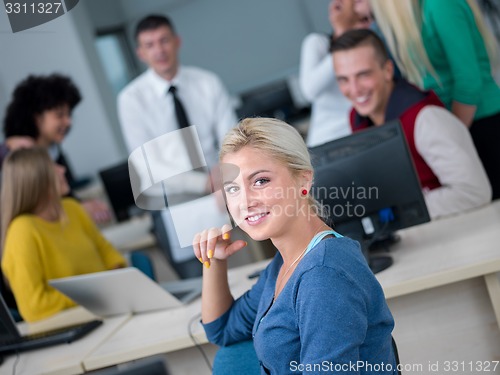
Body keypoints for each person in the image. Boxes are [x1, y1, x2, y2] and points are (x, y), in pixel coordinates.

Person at [193, 118, 398, 374]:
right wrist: (214, 261)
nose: (245, 201)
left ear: (303, 181)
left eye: (260, 181)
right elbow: (221, 330)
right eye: (232, 188)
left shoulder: (323, 276)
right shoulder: (285, 263)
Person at [118, 14, 237, 277]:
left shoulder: (207, 82)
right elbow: (147, 162)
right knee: (200, 283)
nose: (159, 50)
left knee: (239, 269)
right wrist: (205, 182)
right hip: (174, 205)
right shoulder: (131, 99)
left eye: (164, 41)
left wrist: (223, 173)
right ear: (140, 53)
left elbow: (232, 136)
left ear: (177, 41)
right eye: (150, 45)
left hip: (223, 193)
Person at [331, 28, 491, 219]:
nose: (354, 89)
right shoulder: (357, 118)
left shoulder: (427, 119)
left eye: (363, 75)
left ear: (388, 71)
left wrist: (398, 210)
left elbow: (474, 192)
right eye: (344, 80)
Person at [370, 0, 500, 199]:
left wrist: (450, 137)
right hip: (459, 124)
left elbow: (469, 82)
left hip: (480, 123)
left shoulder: (441, 4)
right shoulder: (412, 13)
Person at [1, 148, 126, 322]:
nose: (62, 170)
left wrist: (117, 286)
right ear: (35, 179)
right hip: (77, 324)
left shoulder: (72, 208)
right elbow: (34, 307)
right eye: (53, 167)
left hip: (111, 312)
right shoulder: (22, 231)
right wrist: (97, 293)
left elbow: (109, 254)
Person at [1, 74, 112, 223]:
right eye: (60, 115)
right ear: (37, 119)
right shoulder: (17, 155)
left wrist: (84, 206)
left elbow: (66, 195)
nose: (68, 122)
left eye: (69, 114)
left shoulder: (54, 151)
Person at [299, 0, 373, 146]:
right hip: (325, 143)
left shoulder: (371, 43)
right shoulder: (318, 43)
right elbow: (310, 90)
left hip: (364, 137)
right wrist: (344, 34)